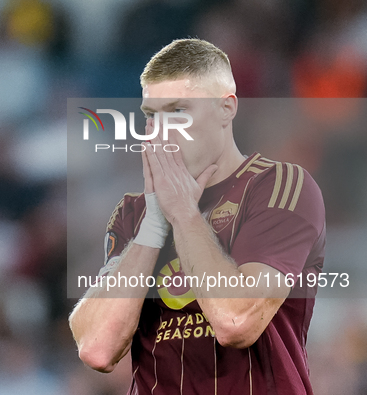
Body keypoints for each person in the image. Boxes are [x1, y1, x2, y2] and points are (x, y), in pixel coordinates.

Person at [69, 38, 325, 394]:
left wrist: (185, 215)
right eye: (150, 115)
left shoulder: (279, 185)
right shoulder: (133, 212)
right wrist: (154, 223)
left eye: (178, 111)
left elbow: (236, 321)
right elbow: (97, 348)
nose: (160, 130)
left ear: (226, 108)